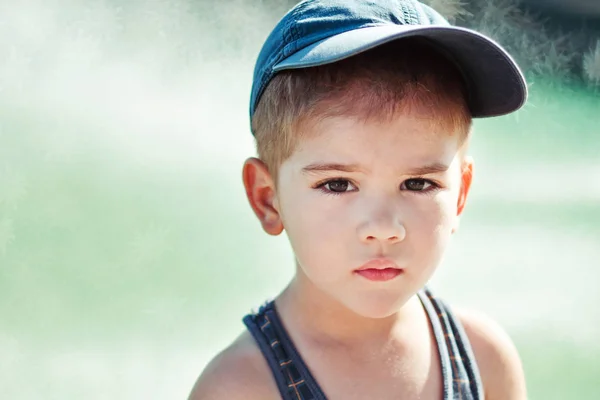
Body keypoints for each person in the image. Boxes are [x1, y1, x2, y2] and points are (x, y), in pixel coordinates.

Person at [190, 0, 529, 399]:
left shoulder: (484, 359)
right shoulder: (241, 389)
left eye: (418, 184)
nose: (384, 227)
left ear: (460, 195)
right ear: (268, 199)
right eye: (337, 184)